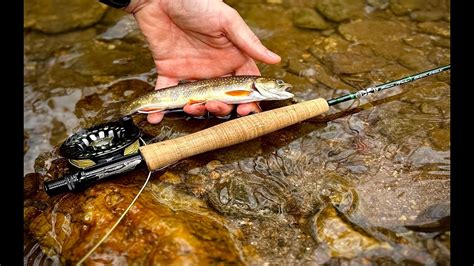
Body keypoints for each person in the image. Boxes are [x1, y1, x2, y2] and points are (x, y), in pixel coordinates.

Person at [113, 0, 282, 123]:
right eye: (278, 83)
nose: (281, 86)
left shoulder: (249, 87)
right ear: (262, 83)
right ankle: (125, 110)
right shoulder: (248, 87)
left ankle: (125, 111)